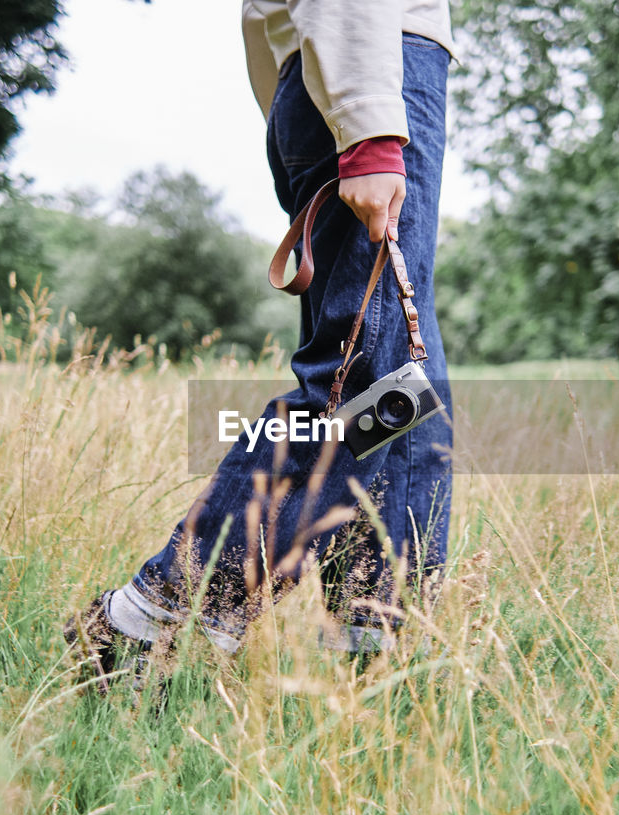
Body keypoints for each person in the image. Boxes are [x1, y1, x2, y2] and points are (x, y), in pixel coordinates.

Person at [65, 1, 455, 687]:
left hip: (339, 67)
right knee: (368, 382)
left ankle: (377, 651)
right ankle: (145, 615)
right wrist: (366, 123)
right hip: (368, 61)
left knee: (411, 389)